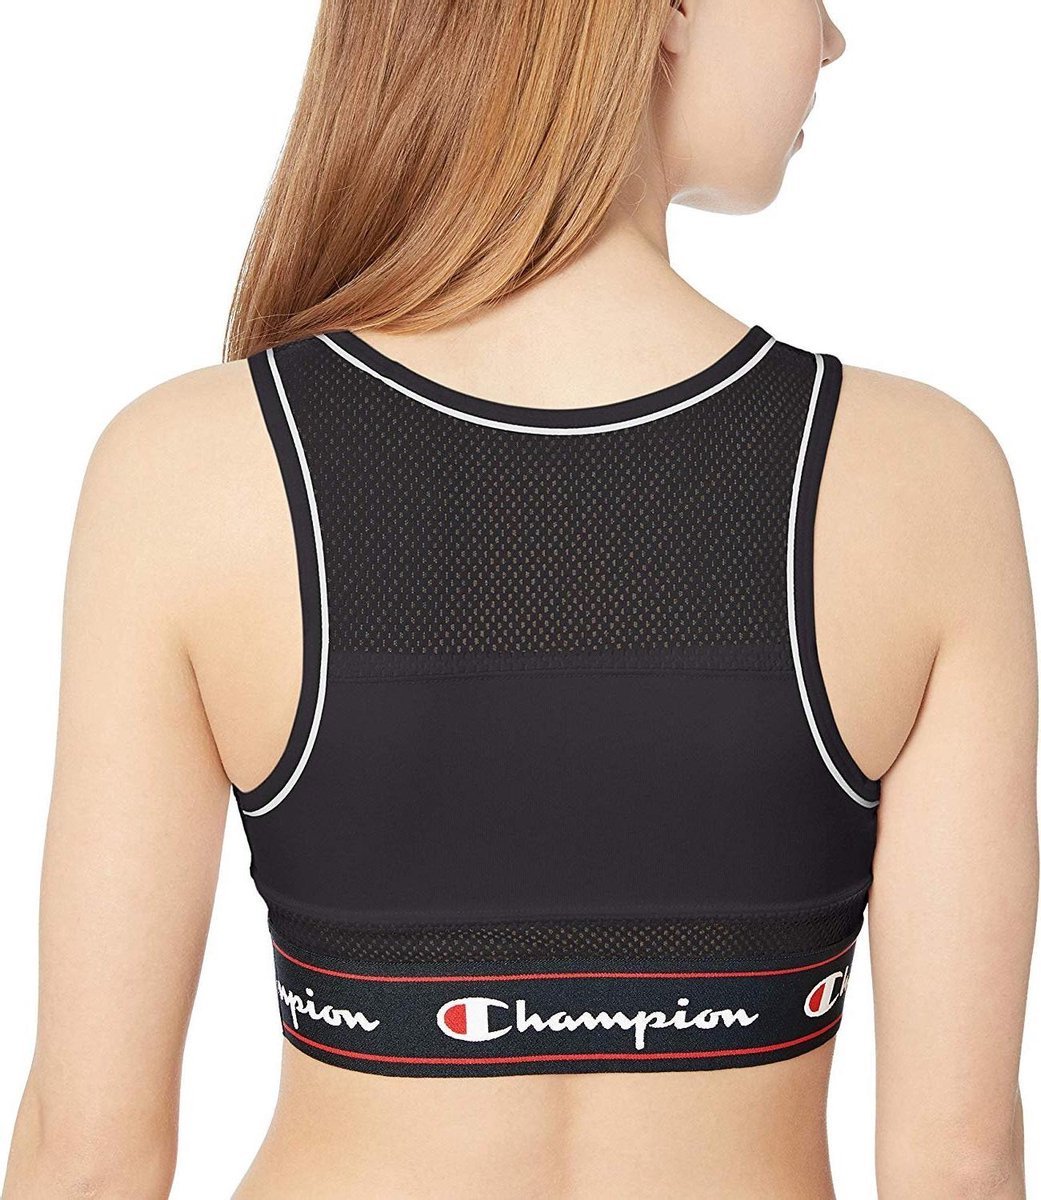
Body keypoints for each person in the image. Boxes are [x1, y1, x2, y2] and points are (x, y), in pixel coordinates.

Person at [3, 1, 1036, 1197]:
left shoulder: (188, 468)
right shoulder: (921, 477)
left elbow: (88, 1158)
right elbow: (959, 1166)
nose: (833, 37)